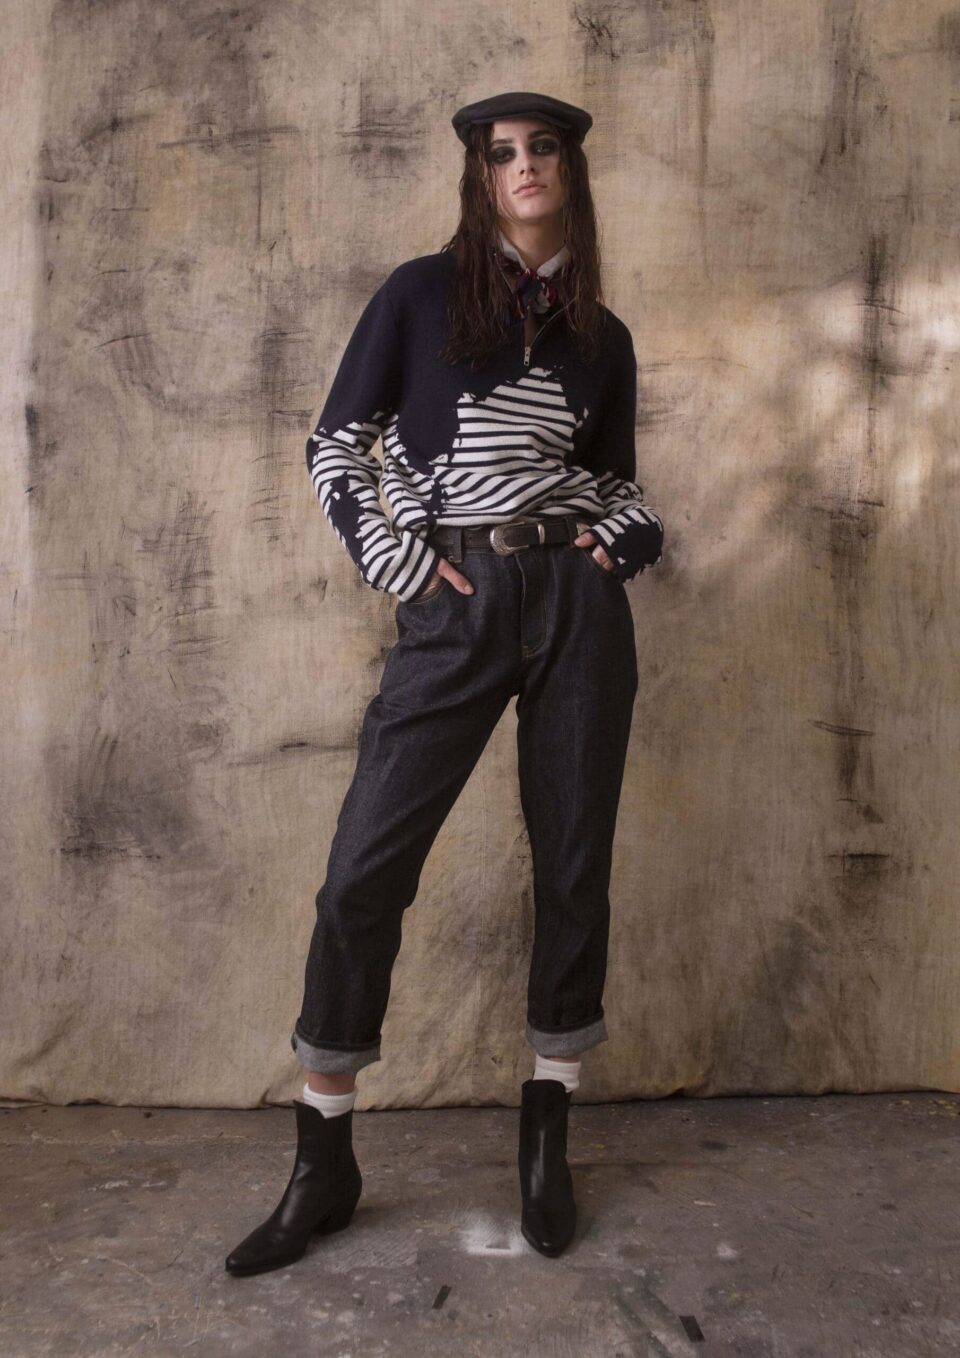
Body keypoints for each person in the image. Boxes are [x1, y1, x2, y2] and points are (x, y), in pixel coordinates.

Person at [225, 90, 664, 1277]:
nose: (524, 166)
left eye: (543, 149)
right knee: (363, 869)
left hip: (576, 607)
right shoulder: (420, 296)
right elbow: (336, 443)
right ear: (479, 175)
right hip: (454, 599)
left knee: (573, 864)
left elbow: (617, 483)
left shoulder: (602, 335)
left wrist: (626, 538)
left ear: (570, 168)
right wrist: (403, 562)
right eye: (501, 153)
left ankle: (547, 1133)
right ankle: (323, 1155)